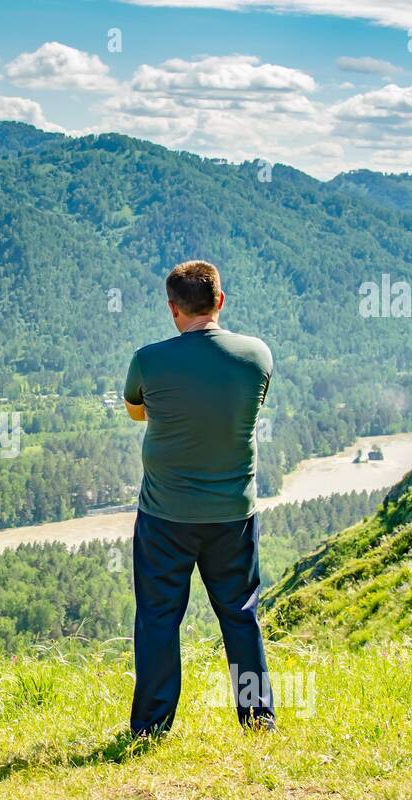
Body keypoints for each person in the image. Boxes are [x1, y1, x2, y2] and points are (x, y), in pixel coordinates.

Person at [123, 260, 276, 734]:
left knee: (159, 619)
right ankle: (257, 719)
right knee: (241, 616)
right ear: (220, 301)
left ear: (173, 309)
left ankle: (151, 726)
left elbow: (136, 413)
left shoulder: (149, 360)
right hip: (233, 514)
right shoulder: (257, 356)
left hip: (165, 516)